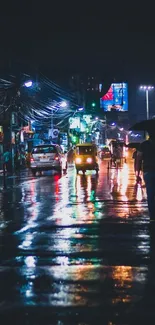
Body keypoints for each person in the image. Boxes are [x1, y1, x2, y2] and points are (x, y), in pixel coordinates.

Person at [136, 132, 155, 218]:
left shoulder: (143, 145)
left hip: (148, 172)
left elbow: (138, 159)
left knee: (150, 195)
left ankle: (152, 217)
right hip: (149, 171)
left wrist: (137, 174)